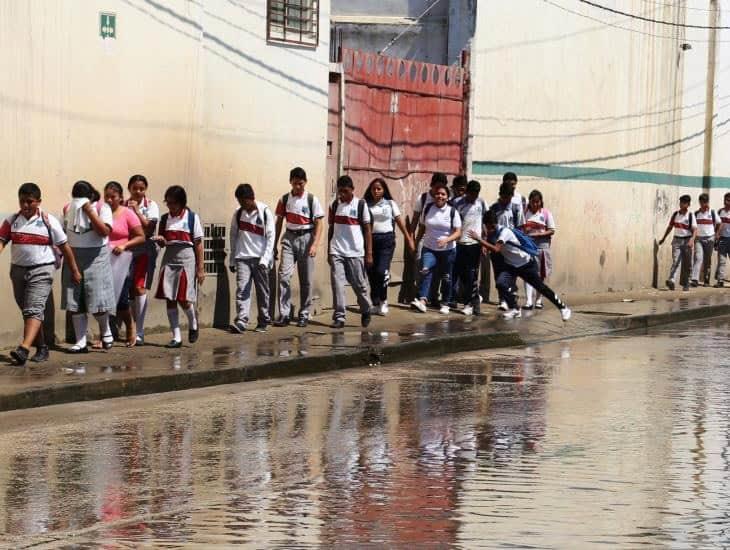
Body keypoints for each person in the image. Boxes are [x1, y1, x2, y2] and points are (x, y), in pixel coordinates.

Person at [0, 183, 81, 365]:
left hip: (42, 270)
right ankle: (42, 346)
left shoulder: (48, 221)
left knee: (34, 309)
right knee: (28, 312)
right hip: (18, 271)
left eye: (30, 201)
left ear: (38, 202)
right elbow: (2, 241)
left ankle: (24, 349)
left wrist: (75, 270)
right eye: (22, 201)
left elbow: (65, 247)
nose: (26, 205)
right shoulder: (12, 220)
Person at [469, 210, 571, 321]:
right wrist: (484, 245)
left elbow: (496, 249)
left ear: (495, 223)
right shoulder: (491, 233)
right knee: (500, 283)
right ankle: (515, 308)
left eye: (491, 227)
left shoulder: (505, 232)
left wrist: (478, 239)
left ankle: (563, 308)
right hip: (511, 266)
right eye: (488, 227)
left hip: (526, 264)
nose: (490, 229)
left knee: (541, 288)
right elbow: (491, 244)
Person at [61, 180, 116, 353]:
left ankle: (106, 331)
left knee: (97, 298)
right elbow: (65, 233)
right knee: (75, 299)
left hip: (96, 256)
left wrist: (89, 211)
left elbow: (104, 232)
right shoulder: (68, 209)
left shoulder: (102, 208)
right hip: (74, 255)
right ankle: (81, 341)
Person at [273, 167, 324, 328]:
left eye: (300, 184)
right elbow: (279, 222)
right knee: (284, 276)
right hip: (289, 237)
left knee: (306, 280)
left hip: (307, 237)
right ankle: (285, 314)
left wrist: (315, 244)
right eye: (295, 184)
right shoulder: (284, 200)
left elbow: (319, 223)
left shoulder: (311, 199)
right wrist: (274, 245)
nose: (298, 187)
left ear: (305, 182)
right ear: (290, 182)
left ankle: (304, 314)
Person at [154, 185, 205, 348]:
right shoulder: (164, 219)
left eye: (174, 203)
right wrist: (161, 240)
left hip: (186, 258)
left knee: (183, 298)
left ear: (181, 203)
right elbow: (162, 241)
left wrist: (200, 268)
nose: (170, 206)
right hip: (169, 257)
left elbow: (198, 244)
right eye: (168, 203)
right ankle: (176, 337)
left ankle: (193, 323)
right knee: (170, 297)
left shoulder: (191, 217)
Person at [364, 177, 415, 315]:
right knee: (372, 273)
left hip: (386, 240)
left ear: (384, 190)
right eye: (373, 188)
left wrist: (409, 238)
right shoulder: (365, 204)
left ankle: (383, 300)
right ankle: (375, 302)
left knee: (382, 272)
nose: (376, 191)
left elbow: (399, 222)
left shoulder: (390, 204)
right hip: (370, 241)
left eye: (379, 189)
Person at [328, 175, 373, 328]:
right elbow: (331, 228)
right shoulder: (334, 205)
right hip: (337, 251)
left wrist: (369, 253)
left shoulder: (361, 205)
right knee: (338, 285)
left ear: (352, 190)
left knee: (359, 285)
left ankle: (366, 309)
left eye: (345, 191)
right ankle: (339, 317)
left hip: (355, 252)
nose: (342, 195)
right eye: (340, 192)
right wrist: (329, 250)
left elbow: (367, 230)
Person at [103, 181, 145, 347]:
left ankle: (130, 326)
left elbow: (140, 236)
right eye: (106, 196)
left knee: (120, 298)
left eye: (112, 197)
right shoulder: (101, 211)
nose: (109, 200)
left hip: (122, 260)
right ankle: (105, 334)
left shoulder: (127, 213)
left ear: (120, 197)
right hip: (103, 258)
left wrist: (124, 245)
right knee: (103, 298)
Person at [229, 183, 275, 333]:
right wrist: (232, 258)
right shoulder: (238, 214)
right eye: (239, 202)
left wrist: (265, 259)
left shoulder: (265, 212)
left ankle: (263, 320)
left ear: (250, 198)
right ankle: (242, 320)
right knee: (242, 289)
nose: (241, 204)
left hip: (260, 259)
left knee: (262, 291)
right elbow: (233, 236)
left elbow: (270, 237)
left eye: (243, 201)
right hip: (243, 257)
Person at [411, 181, 462, 314]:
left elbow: (458, 232)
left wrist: (447, 239)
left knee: (446, 277)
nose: (439, 196)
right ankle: (422, 301)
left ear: (447, 197)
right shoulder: (428, 208)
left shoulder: (452, 212)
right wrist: (416, 242)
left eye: (443, 194)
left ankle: (445, 302)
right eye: (437, 193)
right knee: (425, 270)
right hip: (429, 248)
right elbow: (422, 227)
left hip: (448, 250)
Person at [126, 174, 160, 345]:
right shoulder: (123, 205)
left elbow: (149, 228)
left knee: (140, 288)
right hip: (127, 250)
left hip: (145, 250)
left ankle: (139, 331)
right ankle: (131, 329)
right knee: (129, 290)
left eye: (142, 189)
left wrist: (137, 211)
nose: (138, 192)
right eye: (135, 188)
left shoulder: (151, 205)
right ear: (129, 189)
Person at [452, 179, 487, 316]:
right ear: (467, 192)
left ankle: (470, 304)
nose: (474, 197)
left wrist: (484, 242)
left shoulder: (481, 202)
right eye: (472, 194)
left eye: (476, 194)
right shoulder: (457, 203)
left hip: (475, 245)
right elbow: (453, 222)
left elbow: (485, 221)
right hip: (460, 244)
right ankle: (470, 300)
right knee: (461, 274)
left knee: (471, 275)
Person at [489, 182, 526, 310]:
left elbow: (521, 227)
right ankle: (502, 299)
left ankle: (511, 294)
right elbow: (489, 227)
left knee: (511, 273)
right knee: (498, 273)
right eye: (504, 197)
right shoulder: (494, 208)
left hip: (511, 248)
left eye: (509, 198)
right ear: (500, 195)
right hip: (497, 246)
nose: (506, 200)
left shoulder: (516, 208)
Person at [522, 190, 556, 309]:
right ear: (529, 202)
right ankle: (528, 300)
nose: (535, 204)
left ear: (541, 202)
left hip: (542, 247)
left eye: (537, 202)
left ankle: (539, 299)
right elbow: (521, 228)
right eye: (533, 202)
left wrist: (538, 234)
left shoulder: (546, 213)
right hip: (528, 247)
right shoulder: (525, 213)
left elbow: (552, 230)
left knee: (541, 274)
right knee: (528, 273)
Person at [659, 195, 697, 291]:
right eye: (681, 202)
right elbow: (670, 227)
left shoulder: (690, 215)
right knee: (676, 261)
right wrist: (663, 238)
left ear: (688, 204)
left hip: (687, 240)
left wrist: (692, 240)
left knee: (687, 263)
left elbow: (695, 230)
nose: (681, 204)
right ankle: (671, 280)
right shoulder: (676, 214)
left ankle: (686, 282)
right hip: (676, 240)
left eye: (684, 202)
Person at [691, 193, 718, 287]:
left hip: (710, 238)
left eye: (705, 201)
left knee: (707, 260)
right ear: (700, 202)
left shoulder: (712, 213)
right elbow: (693, 226)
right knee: (698, 258)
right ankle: (694, 279)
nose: (704, 203)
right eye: (702, 201)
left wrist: (716, 235)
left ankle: (706, 279)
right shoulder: (696, 214)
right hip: (698, 239)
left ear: (707, 202)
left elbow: (719, 223)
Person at [715, 192, 730, 288]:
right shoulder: (720, 211)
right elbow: (716, 224)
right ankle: (720, 280)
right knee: (721, 260)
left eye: (729, 200)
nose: (727, 202)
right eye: (726, 200)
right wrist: (716, 235)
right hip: (722, 239)